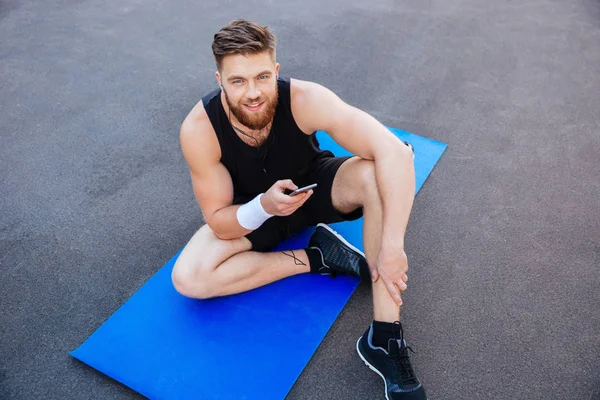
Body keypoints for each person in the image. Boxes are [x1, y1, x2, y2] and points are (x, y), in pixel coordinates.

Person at [173, 19, 427, 400]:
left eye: (261, 77)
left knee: (379, 174)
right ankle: (316, 256)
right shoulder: (199, 130)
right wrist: (262, 206)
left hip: (312, 189)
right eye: (237, 81)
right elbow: (220, 222)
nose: (253, 93)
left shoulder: (305, 99)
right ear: (219, 80)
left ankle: (384, 337)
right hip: (253, 213)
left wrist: (392, 246)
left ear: (275, 71)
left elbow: (396, 153)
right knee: (189, 279)